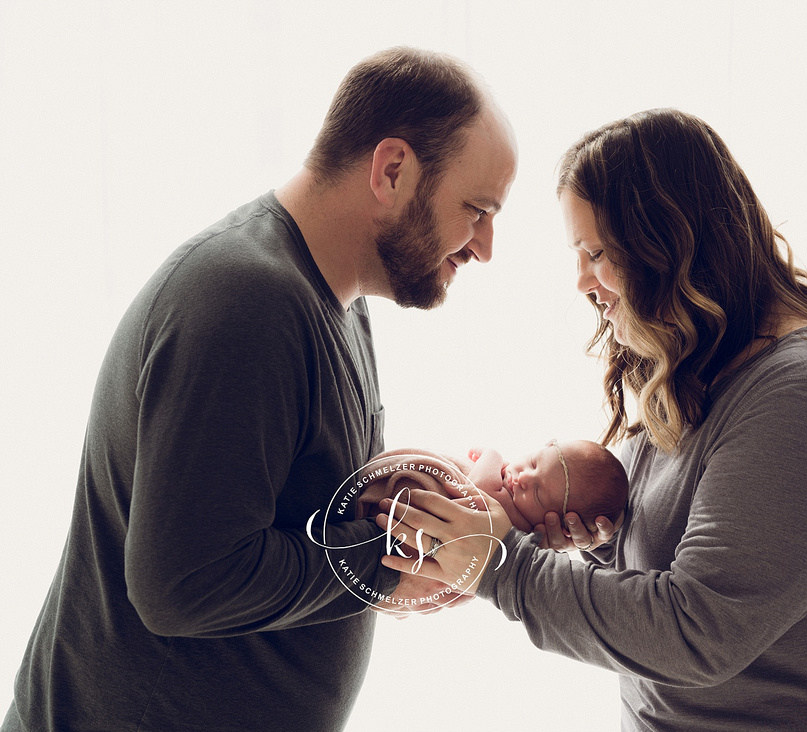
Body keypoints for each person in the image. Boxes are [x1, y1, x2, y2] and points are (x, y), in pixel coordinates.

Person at [377, 109, 807, 730]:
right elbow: (681, 563)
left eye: (596, 253)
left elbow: (697, 632)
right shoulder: (696, 371)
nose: (582, 281)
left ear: (671, 245)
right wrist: (600, 541)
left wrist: (500, 565)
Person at [2, 46, 517, 732]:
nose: (484, 246)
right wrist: (390, 563)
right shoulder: (246, 301)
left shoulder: (336, 295)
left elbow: (290, 506)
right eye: (477, 209)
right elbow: (185, 585)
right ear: (392, 170)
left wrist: (399, 493)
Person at [355, 440, 628, 536]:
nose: (522, 478)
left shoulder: (515, 526)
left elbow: (477, 489)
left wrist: (493, 454)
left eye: (537, 493)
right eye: (533, 462)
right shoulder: (521, 510)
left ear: (556, 521)